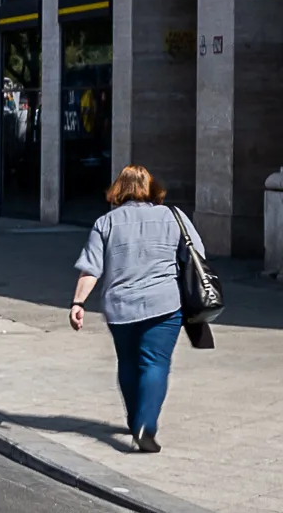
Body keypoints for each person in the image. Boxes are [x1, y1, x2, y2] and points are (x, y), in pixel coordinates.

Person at [68, 163, 203, 453]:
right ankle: (145, 427)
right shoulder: (172, 216)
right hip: (164, 304)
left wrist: (78, 302)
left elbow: (91, 268)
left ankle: (134, 420)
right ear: (152, 188)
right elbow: (197, 254)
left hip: (120, 307)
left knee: (128, 363)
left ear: (118, 189)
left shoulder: (105, 223)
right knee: (154, 363)